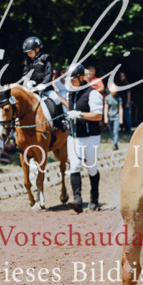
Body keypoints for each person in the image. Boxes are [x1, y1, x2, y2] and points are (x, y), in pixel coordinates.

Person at [65, 64, 105, 212]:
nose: (71, 82)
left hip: (91, 137)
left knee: (91, 169)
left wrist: (80, 114)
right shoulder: (70, 93)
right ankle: (77, 200)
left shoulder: (93, 93)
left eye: (73, 79)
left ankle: (94, 199)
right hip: (74, 137)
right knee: (74, 166)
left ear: (81, 78)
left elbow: (98, 115)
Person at [21, 36, 66, 131]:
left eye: (30, 52)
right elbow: (25, 73)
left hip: (46, 88)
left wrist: (44, 84)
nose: (29, 55)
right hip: (32, 89)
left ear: (37, 49)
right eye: (28, 53)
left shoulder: (45, 58)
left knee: (56, 99)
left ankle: (61, 121)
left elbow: (48, 74)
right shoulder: (28, 60)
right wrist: (27, 82)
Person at [104, 83, 123, 150]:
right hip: (110, 117)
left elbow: (120, 108)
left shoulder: (119, 98)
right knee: (111, 131)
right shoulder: (107, 98)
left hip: (116, 117)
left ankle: (115, 144)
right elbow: (106, 108)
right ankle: (115, 142)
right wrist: (105, 117)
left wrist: (121, 118)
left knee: (115, 131)